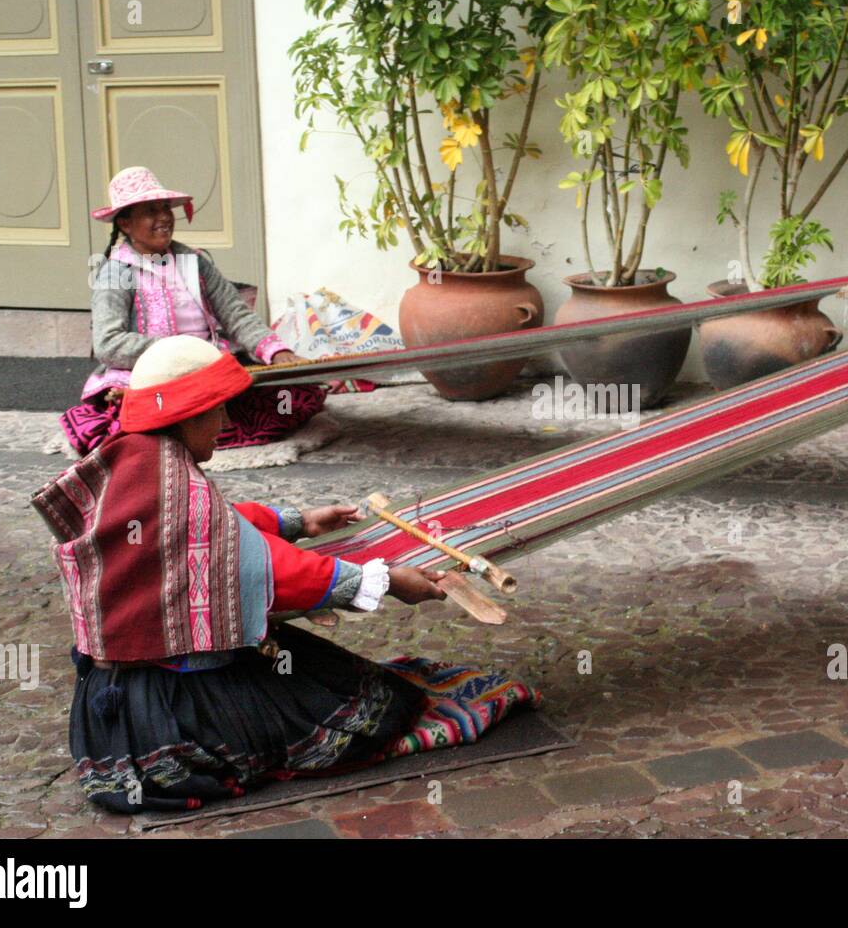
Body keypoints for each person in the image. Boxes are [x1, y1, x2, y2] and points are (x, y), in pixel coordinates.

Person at [34, 336, 537, 814]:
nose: (226, 420)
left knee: (328, 674)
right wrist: (379, 580)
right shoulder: (174, 486)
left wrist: (296, 521)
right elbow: (268, 569)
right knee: (372, 712)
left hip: (112, 703)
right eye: (217, 409)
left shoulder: (141, 460)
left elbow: (219, 529)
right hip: (170, 714)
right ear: (188, 415)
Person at [60, 166, 326, 454]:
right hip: (153, 375)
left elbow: (236, 314)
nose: (163, 217)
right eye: (150, 211)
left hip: (209, 366)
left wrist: (275, 352)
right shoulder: (116, 273)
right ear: (125, 224)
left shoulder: (194, 261)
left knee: (291, 396)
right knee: (153, 408)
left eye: (165, 208)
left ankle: (202, 414)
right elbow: (108, 343)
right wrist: (177, 356)